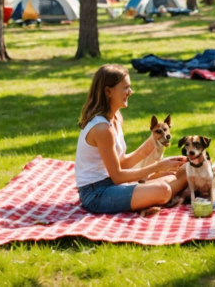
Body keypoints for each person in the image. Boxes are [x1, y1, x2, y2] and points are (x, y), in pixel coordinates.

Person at [75, 64, 187, 214]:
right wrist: (158, 167)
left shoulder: (116, 117)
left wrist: (153, 144)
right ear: (108, 91)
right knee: (164, 190)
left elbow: (123, 163)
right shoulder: (101, 129)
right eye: (126, 88)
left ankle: (148, 200)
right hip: (96, 193)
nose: (130, 92)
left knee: (185, 171)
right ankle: (155, 199)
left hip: (113, 184)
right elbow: (118, 176)